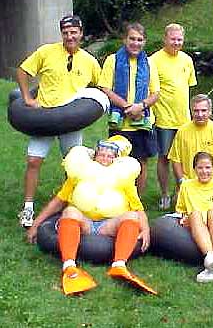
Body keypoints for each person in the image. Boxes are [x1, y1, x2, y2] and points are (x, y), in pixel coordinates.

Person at [26, 136, 157, 296]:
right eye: (102, 155)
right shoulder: (80, 174)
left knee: (131, 217)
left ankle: (119, 265)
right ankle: (69, 265)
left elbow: (138, 208)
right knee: (69, 212)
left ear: (115, 160)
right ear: (95, 155)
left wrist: (145, 230)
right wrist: (36, 225)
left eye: (110, 156)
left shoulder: (123, 179)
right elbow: (58, 201)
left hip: (108, 226)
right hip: (85, 222)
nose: (105, 159)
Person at [16, 15, 101, 228]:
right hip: (44, 117)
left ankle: (71, 204)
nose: (69, 36)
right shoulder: (46, 52)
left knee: (73, 165)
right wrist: (27, 98)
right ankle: (28, 208)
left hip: (71, 121)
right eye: (65, 32)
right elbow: (23, 71)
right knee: (33, 161)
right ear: (61, 34)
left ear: (81, 33)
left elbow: (100, 87)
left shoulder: (89, 61)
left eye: (74, 32)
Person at [98, 22, 160, 194]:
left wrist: (141, 106)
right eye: (132, 38)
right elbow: (105, 88)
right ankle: (118, 200)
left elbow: (155, 93)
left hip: (142, 121)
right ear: (125, 40)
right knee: (116, 162)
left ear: (144, 42)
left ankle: (136, 202)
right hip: (119, 123)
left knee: (141, 162)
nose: (135, 43)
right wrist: (127, 106)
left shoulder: (149, 63)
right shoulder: (113, 60)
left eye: (140, 40)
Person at [150, 23, 197, 210]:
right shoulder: (154, 60)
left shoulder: (187, 60)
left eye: (179, 39)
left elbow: (189, 88)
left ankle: (182, 192)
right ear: (165, 39)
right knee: (164, 157)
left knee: (185, 158)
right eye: (173, 39)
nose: (176, 43)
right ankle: (164, 194)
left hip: (184, 119)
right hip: (163, 119)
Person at [176, 151, 213, 283]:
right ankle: (211, 259)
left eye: (208, 167)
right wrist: (186, 218)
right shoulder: (186, 186)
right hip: (197, 224)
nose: (204, 171)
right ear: (194, 169)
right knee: (195, 213)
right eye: (200, 168)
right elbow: (182, 210)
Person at [169, 94, 213, 194]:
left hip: (212, 184)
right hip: (189, 184)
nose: (200, 114)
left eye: (203, 110)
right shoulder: (182, 131)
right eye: (196, 111)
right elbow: (176, 160)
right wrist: (182, 181)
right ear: (191, 111)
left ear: (210, 112)